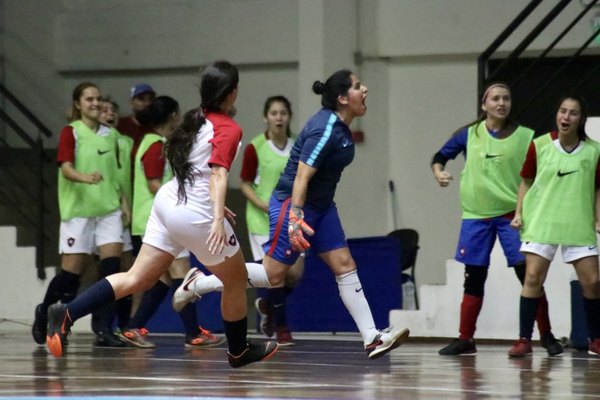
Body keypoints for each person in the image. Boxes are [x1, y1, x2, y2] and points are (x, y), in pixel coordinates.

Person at [45, 61, 278, 368]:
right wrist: (217, 217)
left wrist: (216, 203)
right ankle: (238, 349)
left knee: (137, 278)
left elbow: (192, 168)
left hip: (168, 201)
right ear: (232, 94)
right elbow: (218, 174)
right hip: (195, 212)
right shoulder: (229, 128)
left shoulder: (195, 119)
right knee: (235, 280)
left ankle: (66, 312)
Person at [173, 69, 410, 360]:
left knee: (344, 264)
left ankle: (372, 338)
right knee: (273, 275)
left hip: (322, 207)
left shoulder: (341, 127)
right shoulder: (325, 130)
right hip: (293, 204)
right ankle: (198, 284)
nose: (366, 90)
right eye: (359, 86)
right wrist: (296, 218)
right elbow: (300, 177)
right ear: (342, 98)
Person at [431, 82, 562, 356]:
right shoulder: (468, 134)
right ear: (484, 105)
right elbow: (440, 156)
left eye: (506, 98)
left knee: (529, 277)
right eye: (495, 99)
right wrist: (439, 172)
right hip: (476, 217)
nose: (501, 103)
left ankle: (546, 336)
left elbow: (549, 165)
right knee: (474, 278)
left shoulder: (527, 137)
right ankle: (465, 338)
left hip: (512, 217)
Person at [119, 95, 224, 349]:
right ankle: (193, 334)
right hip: (159, 220)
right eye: (177, 114)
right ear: (172, 116)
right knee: (182, 274)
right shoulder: (155, 144)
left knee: (163, 280)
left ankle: (133, 327)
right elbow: (154, 183)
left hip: (153, 219)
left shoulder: (153, 142)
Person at [32, 82, 127, 348]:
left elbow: (117, 175)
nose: (95, 103)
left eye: (98, 98)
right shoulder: (71, 133)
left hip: (108, 210)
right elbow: (65, 168)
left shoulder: (112, 135)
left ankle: (104, 327)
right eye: (89, 99)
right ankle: (45, 312)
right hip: (79, 212)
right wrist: (85, 177)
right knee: (70, 275)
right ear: (78, 104)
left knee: (112, 271)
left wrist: (124, 203)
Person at [507, 94, 600, 357]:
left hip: (577, 223)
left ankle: (596, 339)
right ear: (556, 115)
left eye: (572, 113)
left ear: (580, 119)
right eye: (562, 111)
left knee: (593, 282)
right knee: (533, 278)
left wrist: (598, 217)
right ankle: (524, 340)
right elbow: (525, 181)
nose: (566, 117)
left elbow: (597, 189)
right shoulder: (540, 145)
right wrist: (519, 213)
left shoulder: (594, 151)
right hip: (542, 221)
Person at [239, 95, 304, 346]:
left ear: (289, 117)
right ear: (265, 117)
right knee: (275, 275)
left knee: (295, 273)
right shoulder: (255, 148)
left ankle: (267, 305)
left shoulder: (298, 145)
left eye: (283, 113)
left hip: (292, 217)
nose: (279, 117)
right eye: (274, 113)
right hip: (262, 219)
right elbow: (244, 183)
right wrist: (262, 204)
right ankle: (282, 328)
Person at [98, 97, 136, 334]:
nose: (109, 113)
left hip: (123, 210)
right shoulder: (93, 140)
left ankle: (122, 325)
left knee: (126, 270)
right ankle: (101, 324)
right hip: (101, 210)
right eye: (104, 109)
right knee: (105, 269)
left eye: (113, 109)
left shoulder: (126, 142)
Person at [117, 83, 156, 159]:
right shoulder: (121, 125)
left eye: (150, 99)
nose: (147, 103)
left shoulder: (156, 128)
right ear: (131, 102)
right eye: (141, 99)